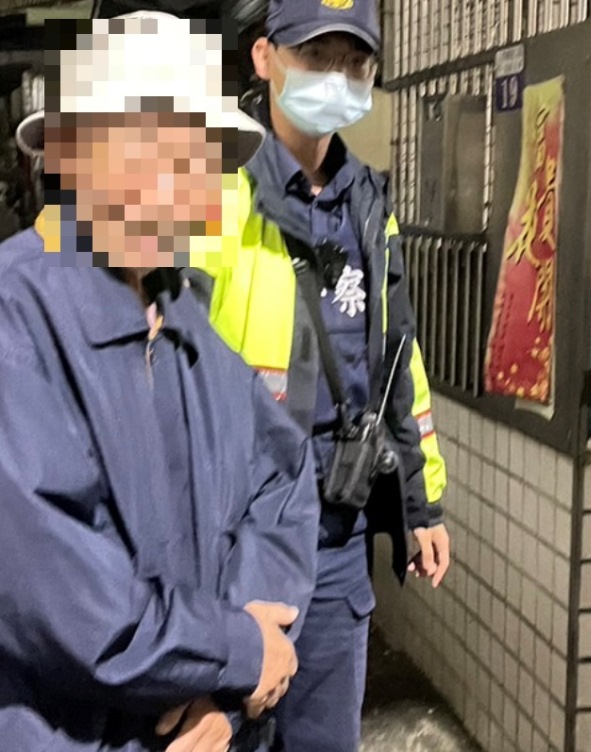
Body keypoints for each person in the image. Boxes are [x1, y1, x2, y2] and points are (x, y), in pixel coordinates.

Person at [0, 12, 320, 752]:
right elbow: (59, 592)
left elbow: (283, 482)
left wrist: (228, 684)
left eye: (197, 157)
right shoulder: (18, 316)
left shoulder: (184, 318)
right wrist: (233, 650)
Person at [185, 1, 451, 749]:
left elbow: (398, 357)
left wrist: (422, 504)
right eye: (316, 56)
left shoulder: (368, 199)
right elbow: (172, 368)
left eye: (355, 62)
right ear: (264, 56)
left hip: (338, 538)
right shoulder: (215, 189)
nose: (337, 77)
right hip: (234, 543)